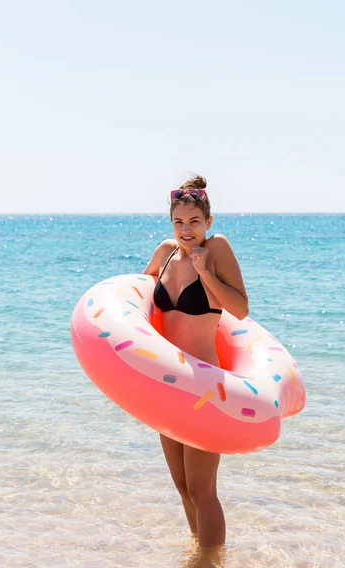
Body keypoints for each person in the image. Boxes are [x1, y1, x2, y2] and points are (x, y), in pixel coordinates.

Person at [143, 174, 249, 550]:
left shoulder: (216, 248)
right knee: (182, 484)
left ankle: (212, 560)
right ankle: (196, 552)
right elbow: (138, 306)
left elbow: (240, 308)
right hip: (167, 384)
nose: (186, 230)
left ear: (209, 222)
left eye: (194, 222)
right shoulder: (165, 251)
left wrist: (205, 273)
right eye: (178, 222)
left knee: (203, 489)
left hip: (205, 385)